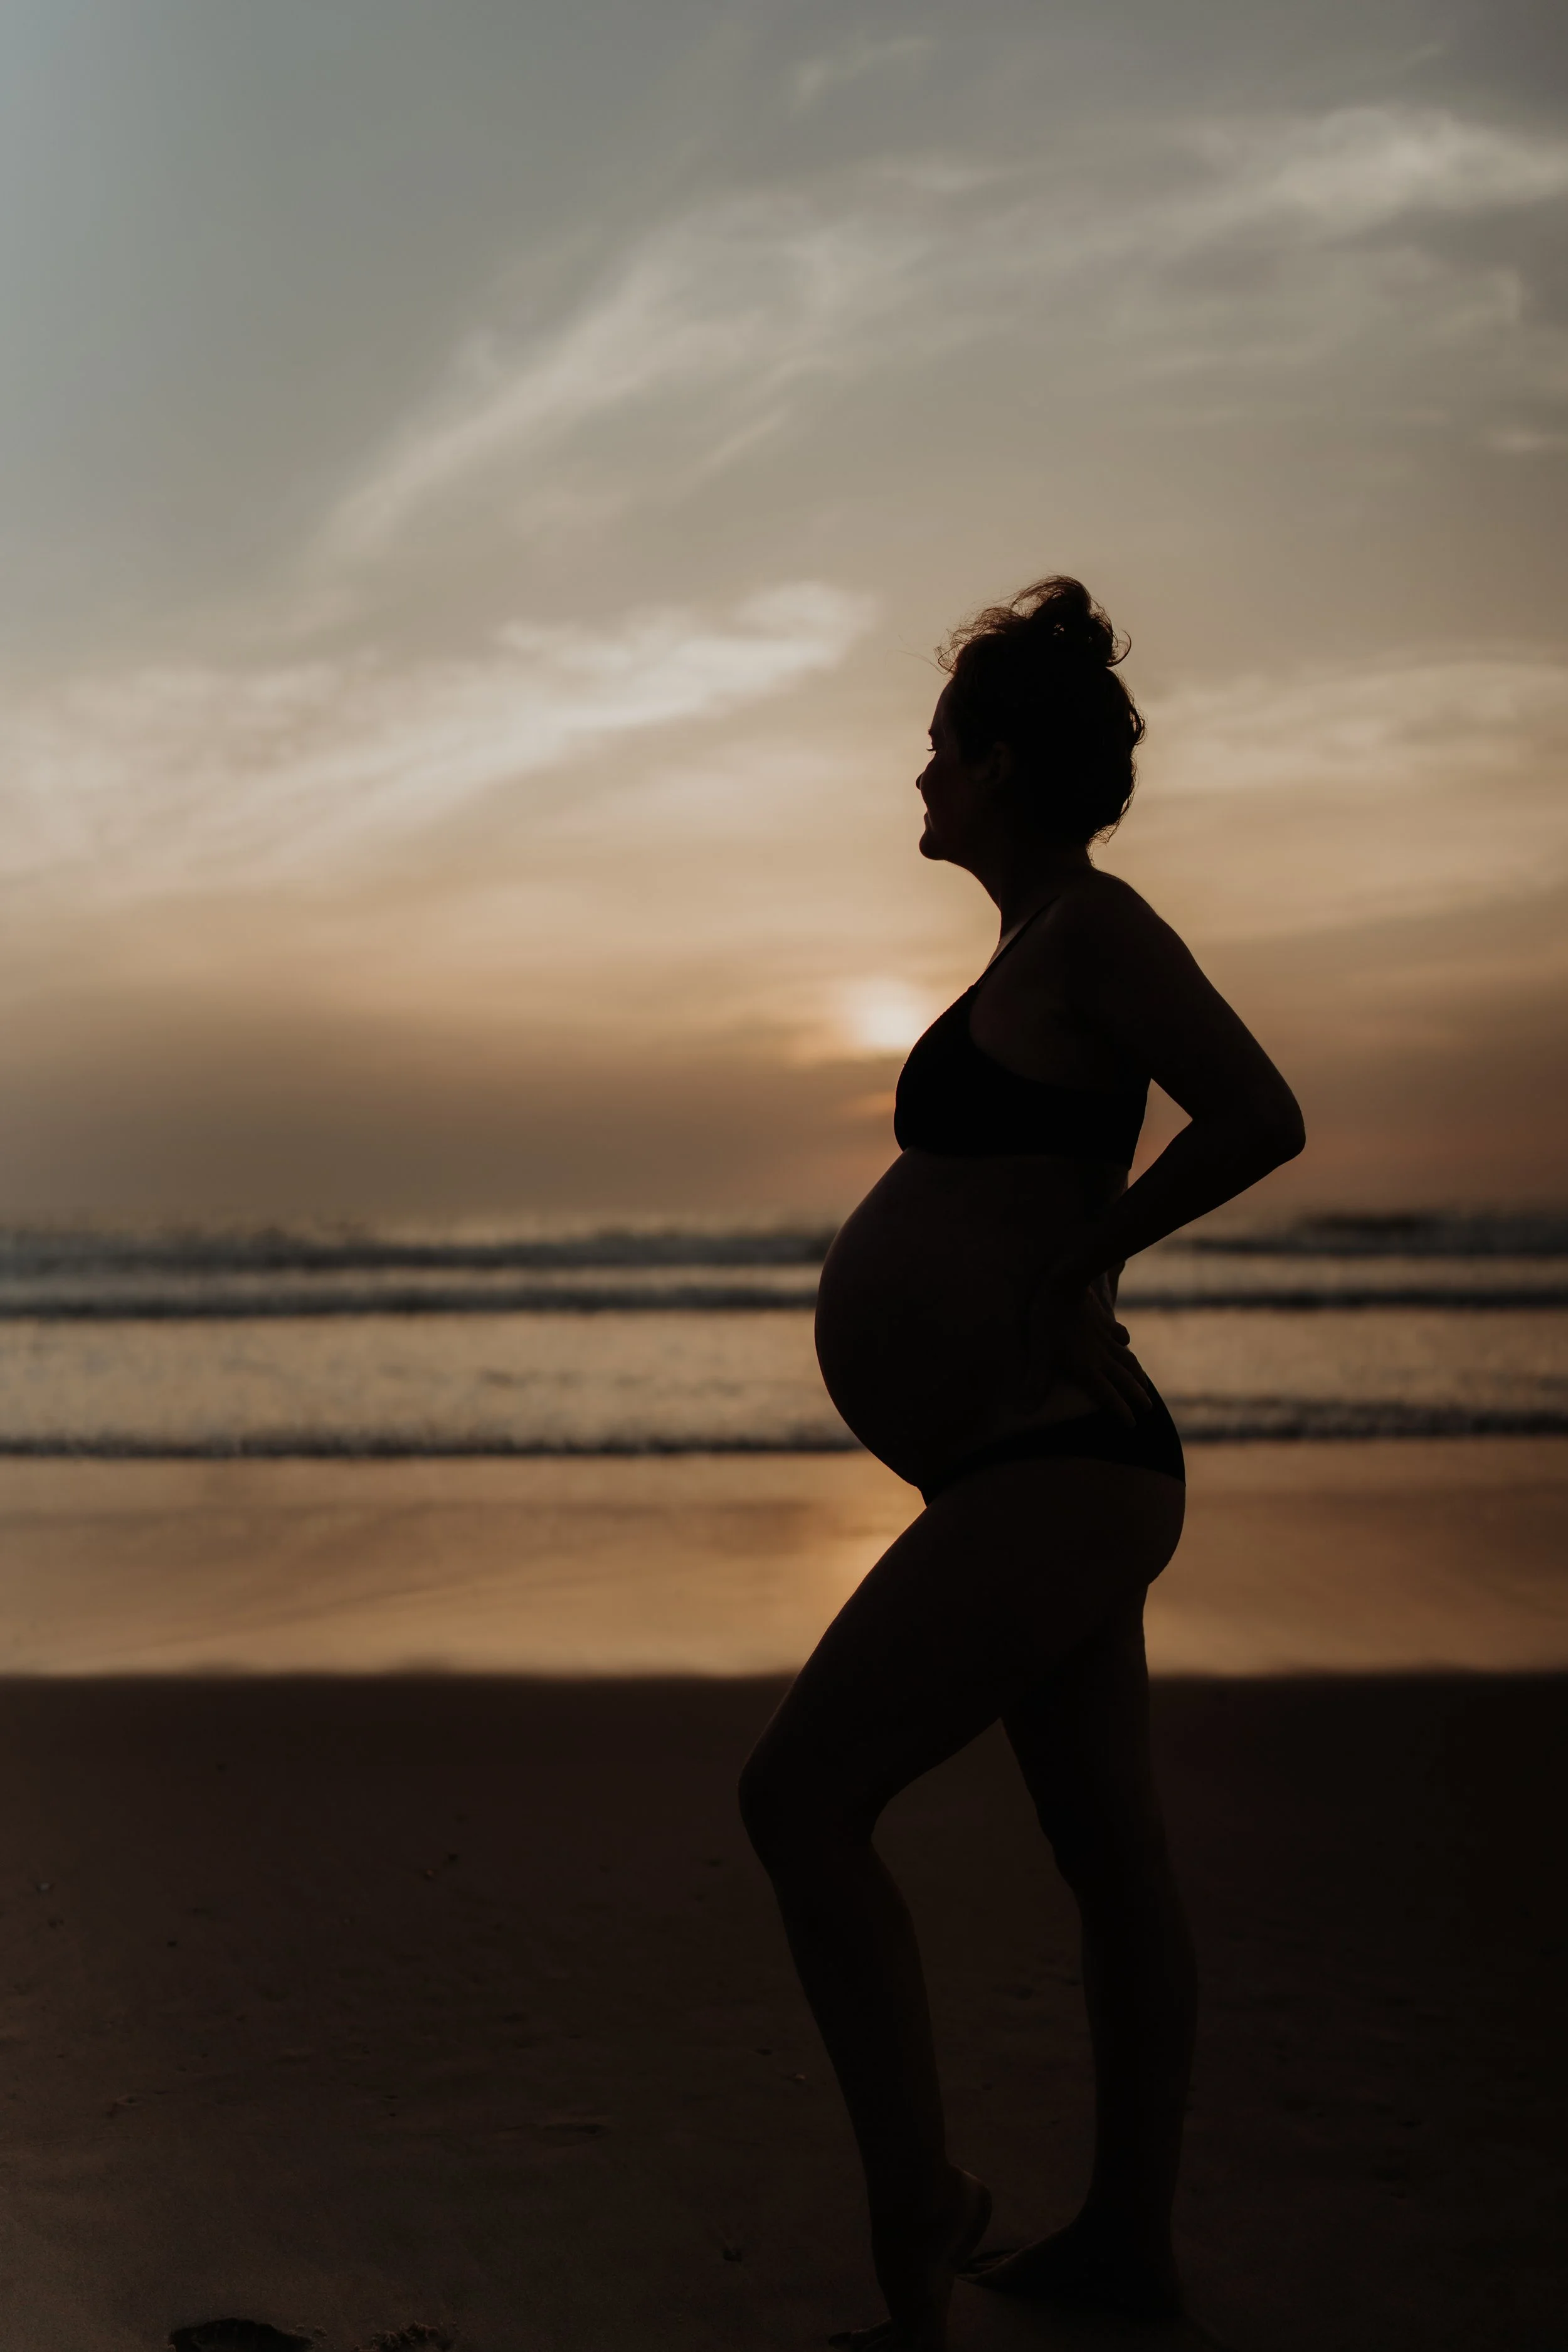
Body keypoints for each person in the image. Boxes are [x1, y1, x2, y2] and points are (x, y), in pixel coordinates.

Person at [739, 576, 1305, 2350]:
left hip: (1057, 1458)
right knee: (1106, 1851)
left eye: (935, 750)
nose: (917, 778)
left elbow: (1257, 1110)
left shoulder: (1090, 929)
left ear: (996, 761)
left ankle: (921, 2208)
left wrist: (1086, 1256)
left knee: (799, 1798)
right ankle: (1123, 2243)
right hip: (1033, 1463)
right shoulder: (1030, 943)